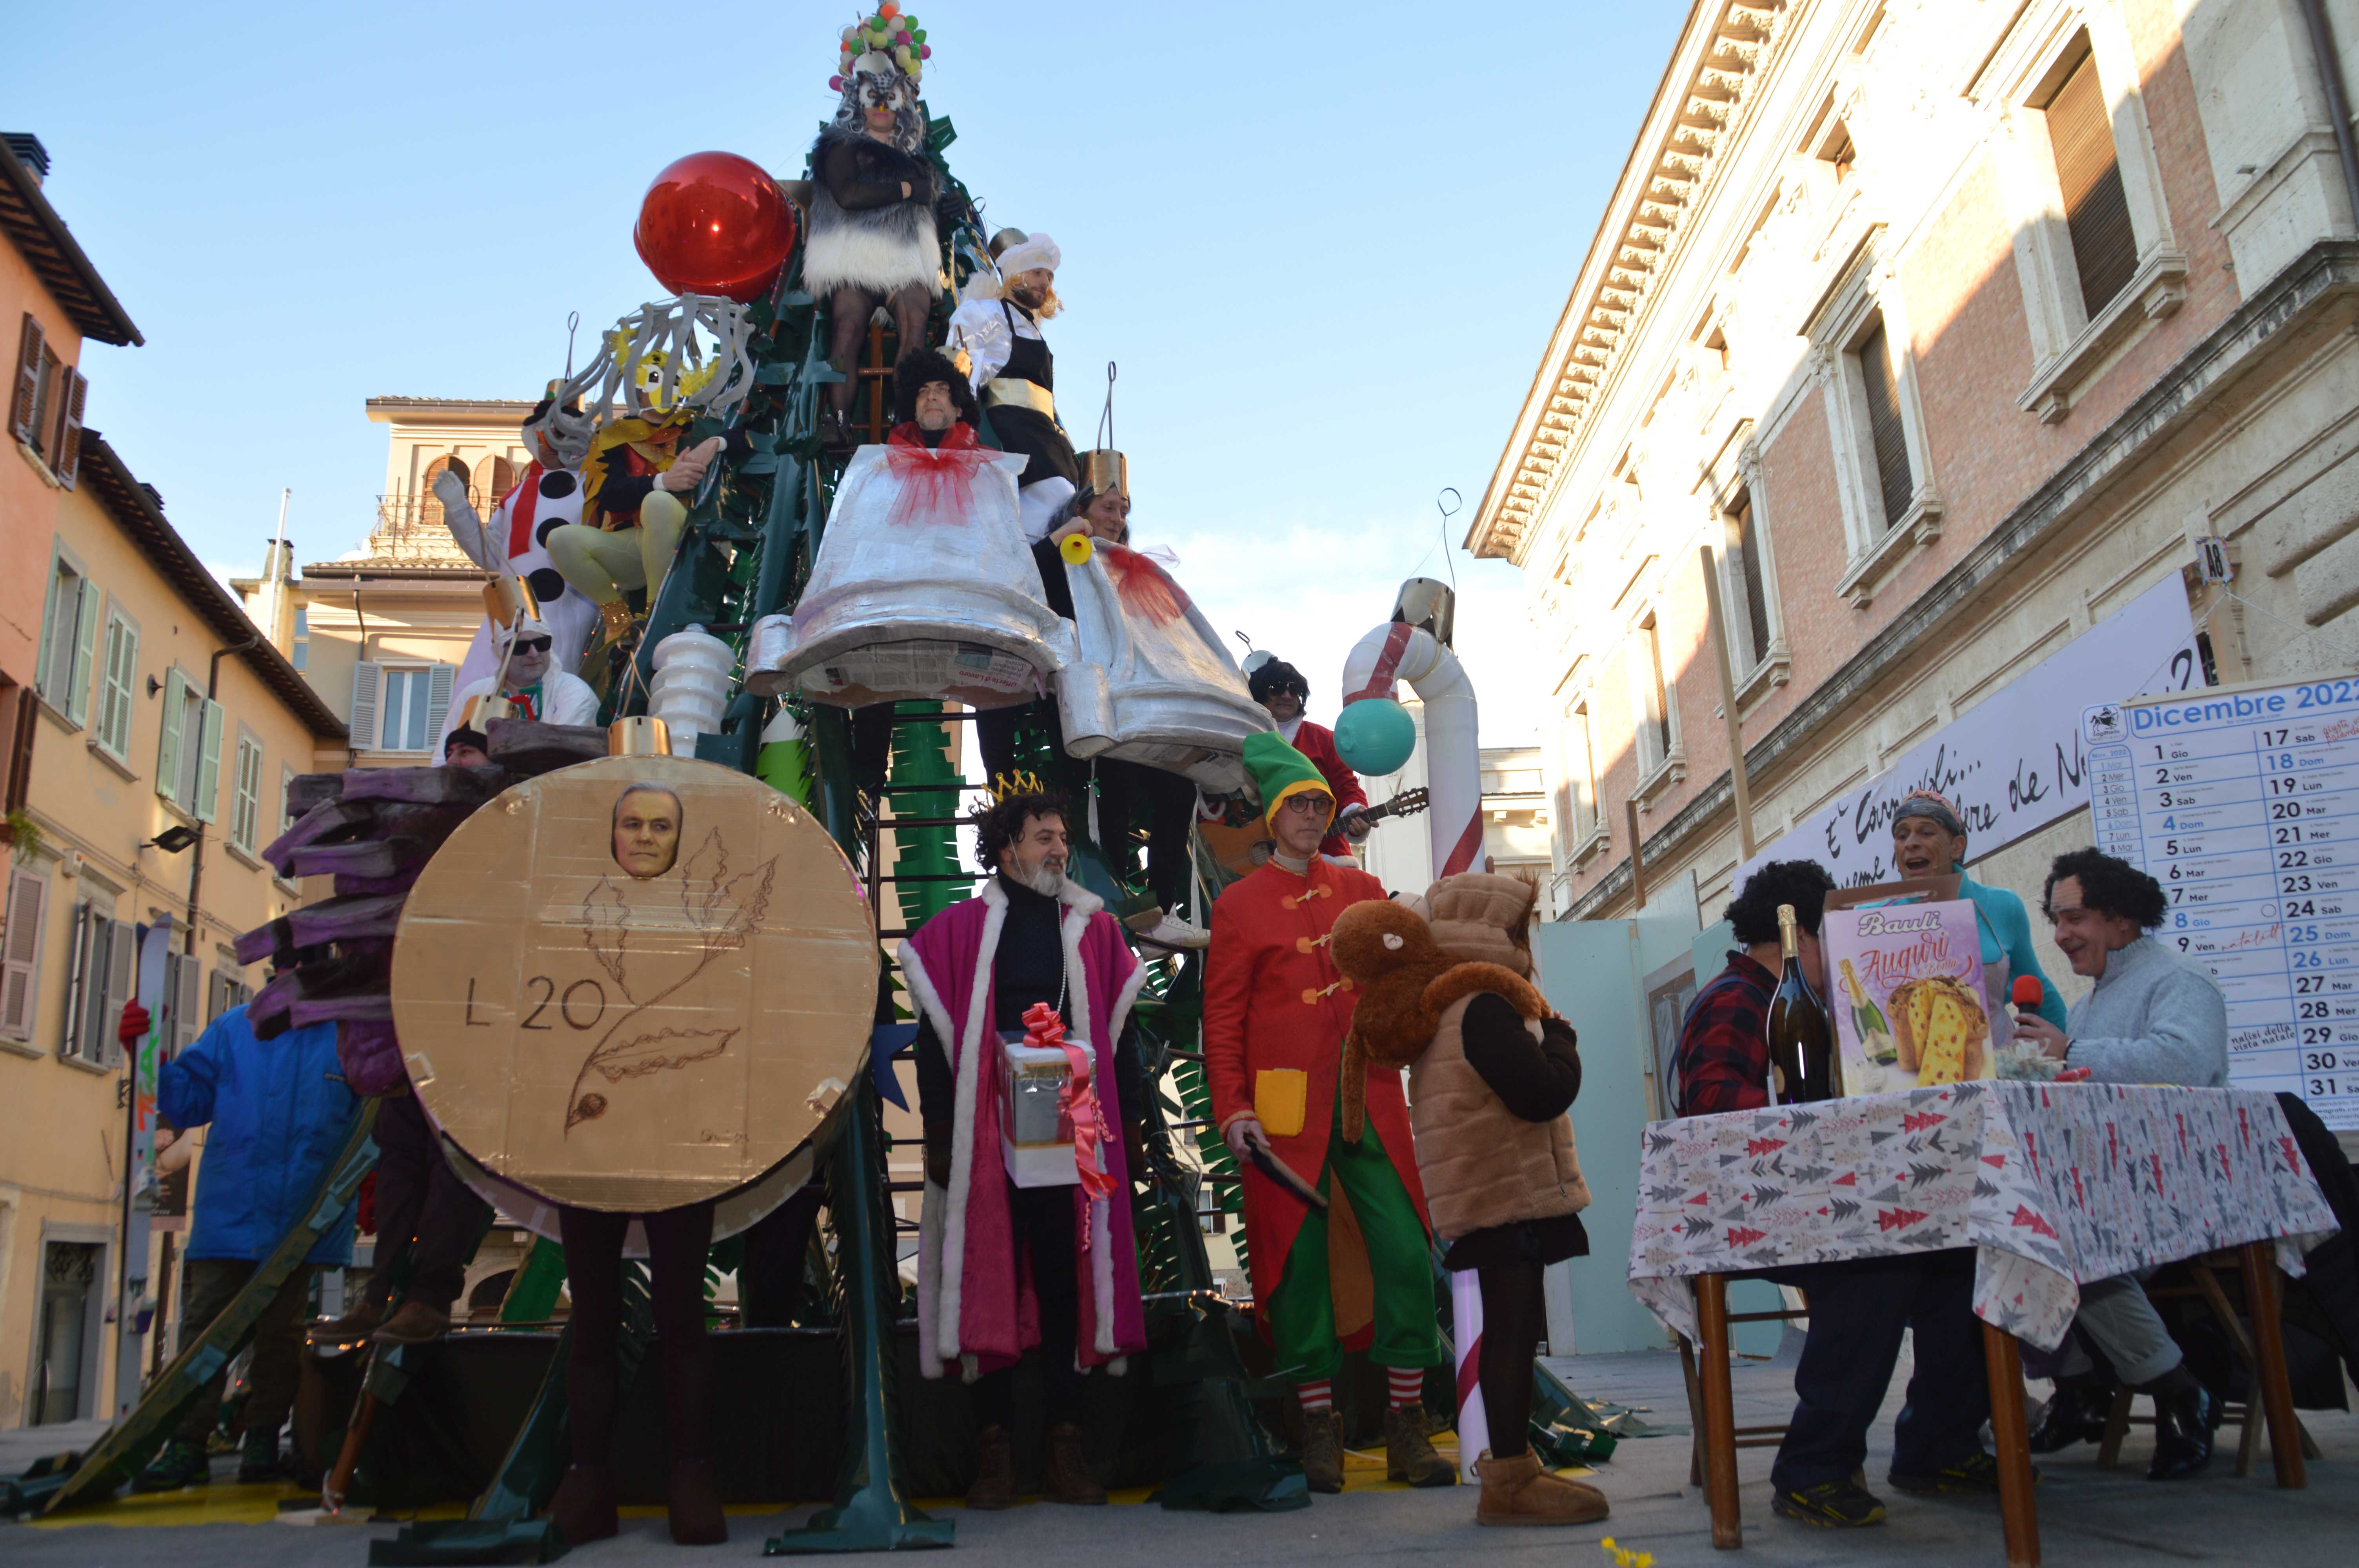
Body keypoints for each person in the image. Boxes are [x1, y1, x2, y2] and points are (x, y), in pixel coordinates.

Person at [1676, 859, 2005, 1529]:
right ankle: (1813, 1468)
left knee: (1961, 1253)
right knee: (1875, 1263)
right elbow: (1708, 1107)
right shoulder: (1739, 1000)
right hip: (1755, 1213)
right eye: (1837, 933)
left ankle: (1937, 1445)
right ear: (1801, 935)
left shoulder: (1804, 1002)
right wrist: (1825, 1117)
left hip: (1820, 1204)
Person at [1203, 731, 1452, 1494]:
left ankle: (1407, 1421)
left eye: (1319, 803)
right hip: (1280, 1117)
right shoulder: (1237, 905)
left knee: (1405, 1254)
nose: (1311, 815)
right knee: (1297, 1269)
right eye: (1298, 804)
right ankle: (1318, 1426)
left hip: (1366, 1097)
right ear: (1273, 814)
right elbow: (1222, 1021)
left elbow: (1405, 976)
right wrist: (1232, 1108)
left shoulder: (1362, 889)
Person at [901, 789, 1151, 1508]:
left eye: (1062, 838)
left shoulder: (1094, 930)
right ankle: (995, 1451)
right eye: (1044, 837)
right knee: (991, 1270)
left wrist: (1132, 1123)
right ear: (1007, 846)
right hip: (985, 1125)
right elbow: (932, 1043)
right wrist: (941, 1133)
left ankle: (1067, 1444)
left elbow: (1122, 1035)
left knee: (1064, 1269)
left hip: (1071, 1118)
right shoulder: (959, 931)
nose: (1059, 850)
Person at [1335, 874, 1608, 1526]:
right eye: (1518, 931)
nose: (1527, 945)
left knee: (1509, 1329)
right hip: (1504, 1191)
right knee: (1512, 1332)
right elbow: (1541, 1093)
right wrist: (1562, 1040)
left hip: (1487, 1190)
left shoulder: (1454, 1005)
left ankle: (1512, 1474)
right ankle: (1510, 1480)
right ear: (1492, 934)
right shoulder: (1483, 1005)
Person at [2011, 848, 2228, 1479]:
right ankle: (2080, 1389)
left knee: (2068, 1237)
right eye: (2055, 919)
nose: (2061, 935)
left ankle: (2178, 1391)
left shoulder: (2180, 980)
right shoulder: (2088, 1005)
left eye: (2074, 918)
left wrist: (2071, 1053)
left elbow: (2185, 1064)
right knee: (2008, 1229)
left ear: (2123, 917)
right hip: (2104, 1189)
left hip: (2181, 1189)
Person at [972, 464, 1206, 950]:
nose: (1118, 518)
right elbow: (1016, 581)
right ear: (1080, 510)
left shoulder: (1126, 567)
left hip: (1130, 704)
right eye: (1108, 507)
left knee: (1178, 786)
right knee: (1113, 783)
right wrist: (1061, 540)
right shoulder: (1057, 557)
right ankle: (1116, 910)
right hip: (1072, 707)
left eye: (1124, 510)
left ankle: (1159, 909)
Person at [126, 1002, 358, 1491]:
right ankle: (190, 1441)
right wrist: (148, 1058)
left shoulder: (345, 1034)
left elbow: (369, 1122)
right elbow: (185, 1102)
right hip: (237, 1211)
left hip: (297, 1216)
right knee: (207, 1331)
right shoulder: (236, 1028)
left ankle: (260, 1439)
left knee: (279, 1336)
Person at [808, 40, 949, 442]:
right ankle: (838, 421)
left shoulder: (920, 163)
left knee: (915, 321)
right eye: (874, 97)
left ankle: (905, 421)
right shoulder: (840, 146)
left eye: (891, 98)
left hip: (905, 260)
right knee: (848, 327)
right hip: (853, 257)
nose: (882, 107)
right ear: (859, 101)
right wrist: (906, 190)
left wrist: (945, 209)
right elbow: (848, 195)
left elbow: (927, 213)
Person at [1886, 789, 2067, 1028]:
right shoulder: (1870, 919)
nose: (1911, 844)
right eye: (1902, 836)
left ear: (1957, 847)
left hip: (1998, 1052)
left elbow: (2039, 989)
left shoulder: (2004, 906)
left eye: (1927, 833)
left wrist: (2069, 1047)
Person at [948, 230, 1080, 538]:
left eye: (1049, 276)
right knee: (1049, 519)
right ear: (1015, 274)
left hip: (1049, 441)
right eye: (1037, 273)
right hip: (1013, 439)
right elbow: (961, 378)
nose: (1045, 282)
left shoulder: (1032, 328)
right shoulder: (984, 314)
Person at [1247, 657, 1369, 862]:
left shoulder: (1324, 739)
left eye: (1294, 690)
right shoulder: (1243, 739)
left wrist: (1355, 812)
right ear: (1260, 693)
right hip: (1255, 863)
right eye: (1277, 688)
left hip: (1328, 859)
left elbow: (1347, 787)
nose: (1287, 695)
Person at [439, 614, 600, 761]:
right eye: (520, 647)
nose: (534, 653)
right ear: (500, 653)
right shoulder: (475, 693)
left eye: (542, 644)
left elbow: (561, 757)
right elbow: (443, 755)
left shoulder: (573, 691)